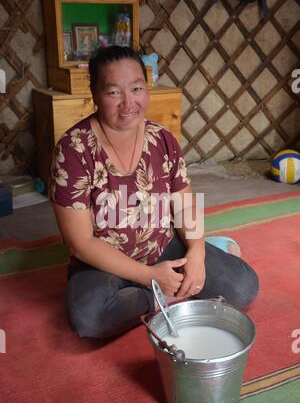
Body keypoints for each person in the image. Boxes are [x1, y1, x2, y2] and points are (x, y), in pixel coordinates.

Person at [49, 46, 259, 340]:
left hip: (162, 244)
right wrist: (149, 277)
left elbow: (185, 203)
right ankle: (159, 295)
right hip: (106, 262)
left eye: (136, 88)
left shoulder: (162, 139)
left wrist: (196, 251)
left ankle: (201, 255)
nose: (128, 103)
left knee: (243, 288)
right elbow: (81, 243)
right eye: (113, 92)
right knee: (89, 317)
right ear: (95, 94)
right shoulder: (74, 149)